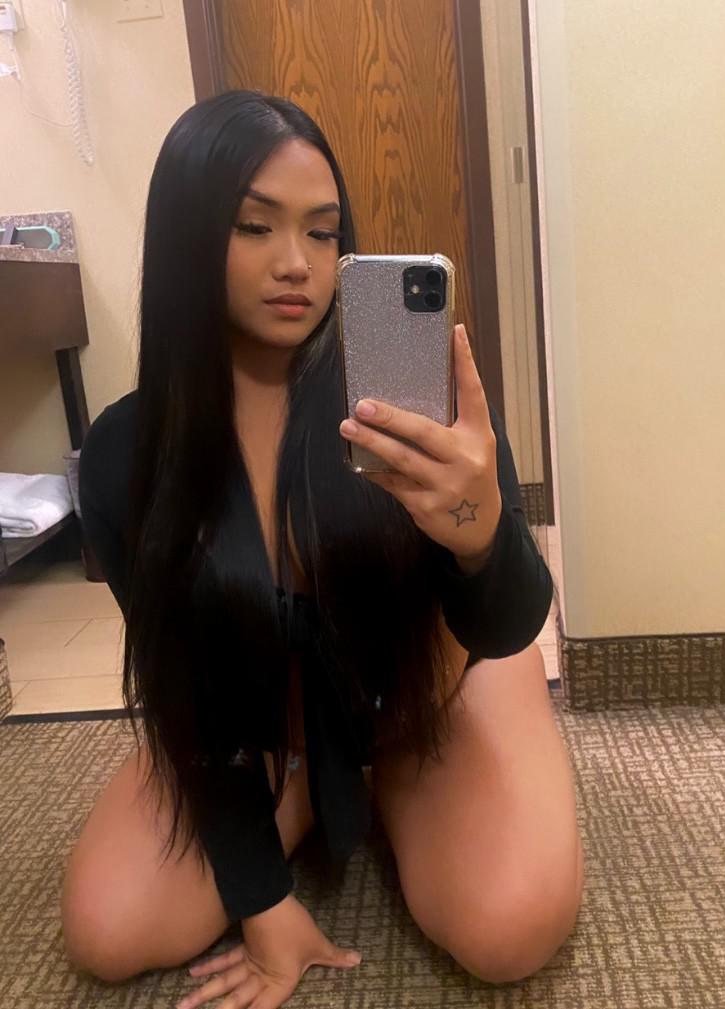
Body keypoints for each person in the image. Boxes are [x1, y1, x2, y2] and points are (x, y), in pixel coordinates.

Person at [61, 91, 584, 1008]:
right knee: (109, 928)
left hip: (434, 684)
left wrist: (478, 532)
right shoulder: (126, 455)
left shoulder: (415, 399)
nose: (297, 263)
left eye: (322, 230)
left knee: (511, 927)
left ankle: (430, 764)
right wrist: (263, 899)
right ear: (188, 237)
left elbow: (508, 617)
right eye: (254, 226)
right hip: (260, 720)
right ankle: (310, 785)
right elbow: (187, 684)